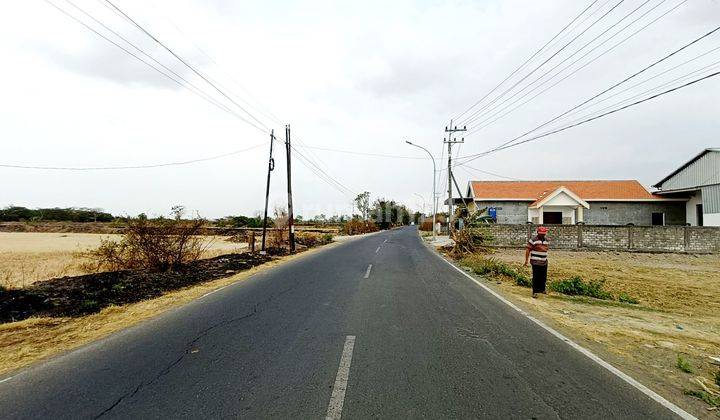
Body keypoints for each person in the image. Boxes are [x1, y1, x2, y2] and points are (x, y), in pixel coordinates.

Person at [524, 226, 549, 298]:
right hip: (535, 261)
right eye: (541, 234)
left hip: (544, 261)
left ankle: (542, 289)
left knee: (543, 276)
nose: (542, 235)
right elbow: (528, 250)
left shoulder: (546, 240)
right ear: (537, 233)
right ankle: (535, 291)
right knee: (536, 276)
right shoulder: (533, 240)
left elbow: (545, 250)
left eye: (543, 234)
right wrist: (526, 260)